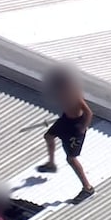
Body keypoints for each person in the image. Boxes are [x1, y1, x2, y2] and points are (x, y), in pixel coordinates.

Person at [36, 67, 95, 203]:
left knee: (71, 159)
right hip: (65, 120)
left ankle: (88, 188)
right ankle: (51, 164)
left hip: (75, 127)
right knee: (48, 136)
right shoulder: (61, 91)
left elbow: (88, 112)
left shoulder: (74, 93)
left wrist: (83, 128)